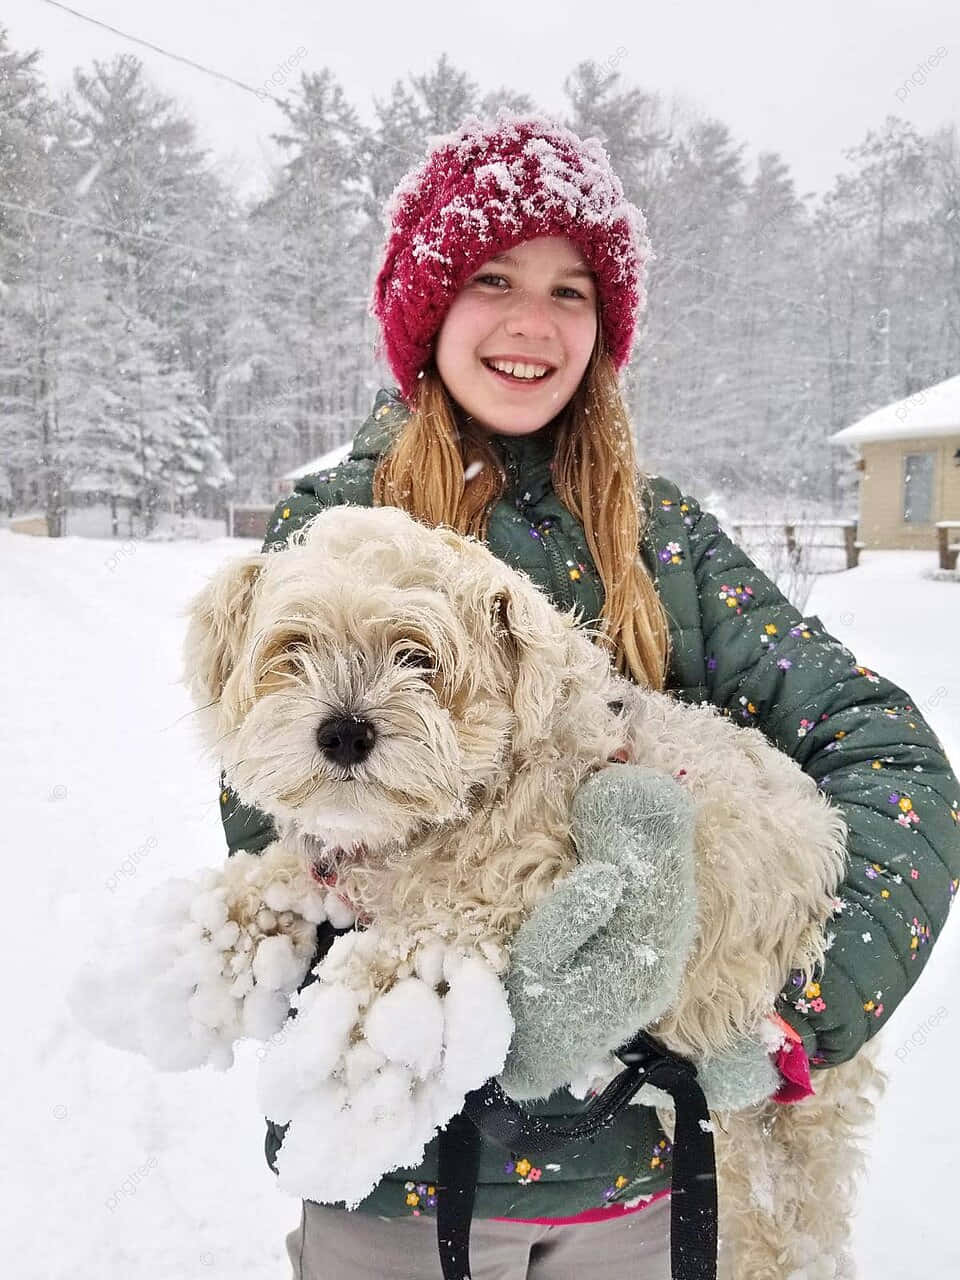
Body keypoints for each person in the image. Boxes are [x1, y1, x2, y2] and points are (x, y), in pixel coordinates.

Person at [216, 110, 960, 1279]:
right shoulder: (330, 539)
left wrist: (792, 1018)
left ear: (605, 328)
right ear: (430, 306)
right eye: (493, 276)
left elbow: (894, 762)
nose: (531, 321)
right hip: (394, 1173)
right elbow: (285, 813)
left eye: (572, 291)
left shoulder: (665, 544)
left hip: (645, 1181)